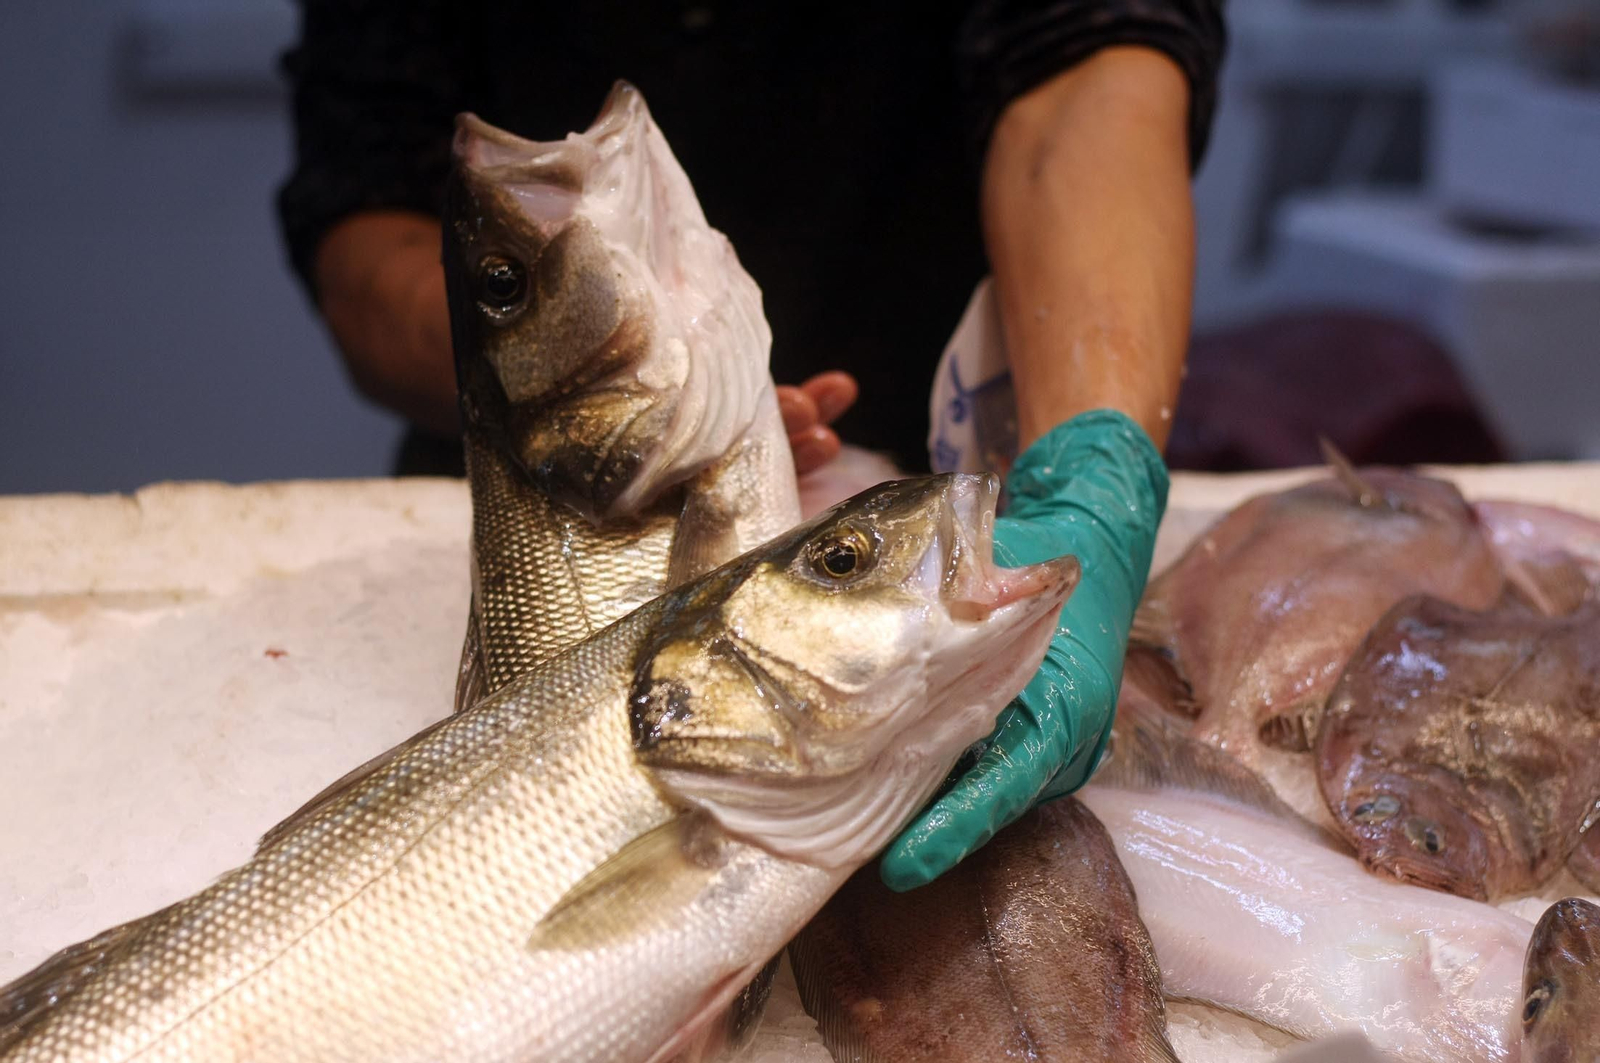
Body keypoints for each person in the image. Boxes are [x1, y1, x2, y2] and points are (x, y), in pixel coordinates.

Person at [277, 1, 1225, 889]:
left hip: (934, 453)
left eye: (504, 279)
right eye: (506, 279)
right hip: (524, 494)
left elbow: (1087, 53)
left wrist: (1092, 477)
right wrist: (574, 386)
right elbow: (364, 212)